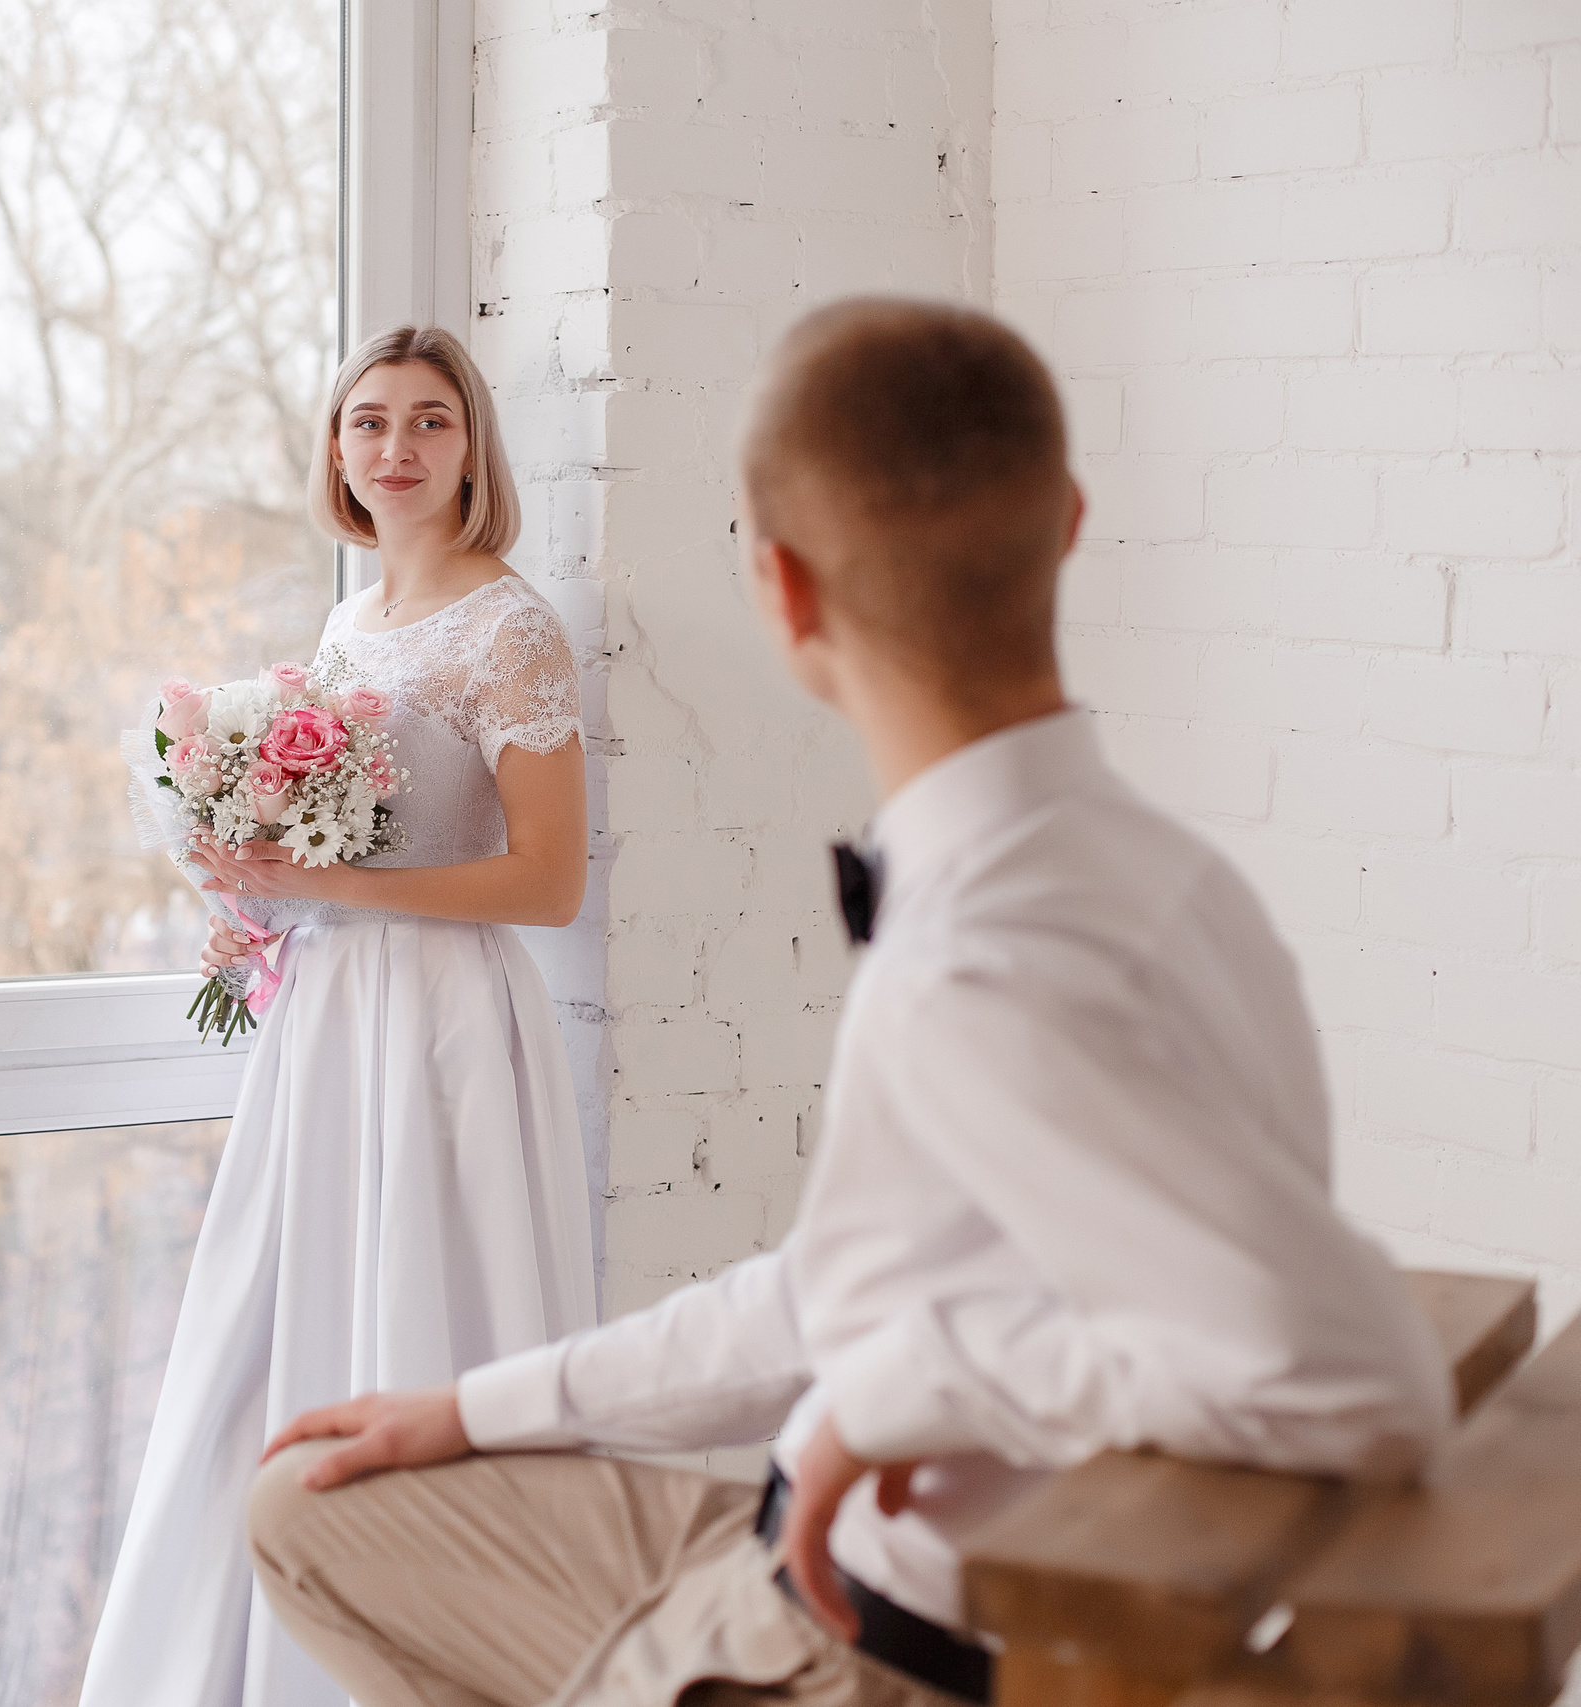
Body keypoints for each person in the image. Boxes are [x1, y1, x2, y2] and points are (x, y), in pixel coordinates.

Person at [241, 298, 1458, 1707]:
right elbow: (846, 1293)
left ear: (783, 592)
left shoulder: (983, 956)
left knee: (303, 1522)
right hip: (804, 1537)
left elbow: (1355, 1379)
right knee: (313, 1500)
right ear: (1065, 523)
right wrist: (465, 1410)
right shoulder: (1171, 879)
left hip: (854, 1640)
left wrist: (903, 1393)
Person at [77, 325, 601, 1707]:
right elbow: (326, 852)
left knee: (434, 1306)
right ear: (337, 452)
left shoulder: (510, 627)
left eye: (430, 423)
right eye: (368, 423)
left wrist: (324, 875)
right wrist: (258, 897)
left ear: (472, 449)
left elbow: (545, 883)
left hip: (441, 1024)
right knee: (292, 1299)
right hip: (327, 1024)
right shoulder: (345, 623)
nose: (396, 449)